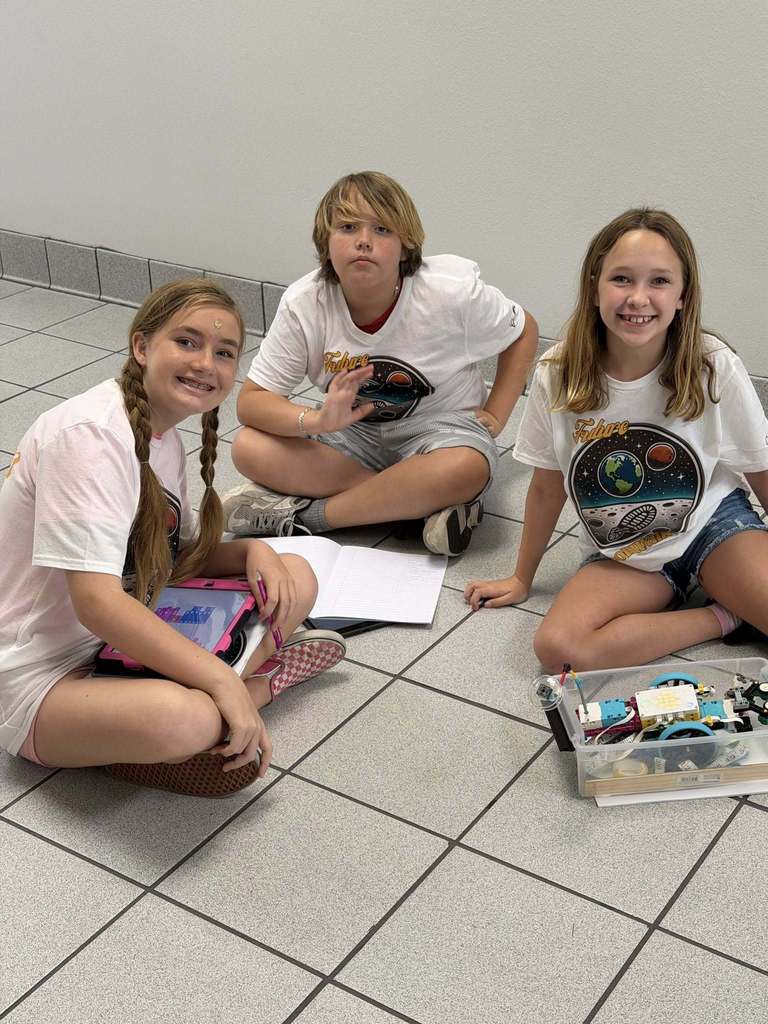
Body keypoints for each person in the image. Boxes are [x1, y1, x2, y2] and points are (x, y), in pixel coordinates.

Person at [0, 279, 345, 796]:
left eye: (224, 352)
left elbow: (174, 557)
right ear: (142, 347)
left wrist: (253, 549)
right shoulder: (89, 436)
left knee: (294, 575)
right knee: (186, 720)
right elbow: (95, 603)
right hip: (40, 674)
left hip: (118, 637)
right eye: (186, 342)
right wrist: (218, 678)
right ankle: (251, 691)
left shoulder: (161, 434)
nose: (206, 362)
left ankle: (210, 707)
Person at [465, 209, 768, 670]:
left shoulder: (713, 365)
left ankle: (735, 597)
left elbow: (759, 466)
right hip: (629, 551)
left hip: (714, 527)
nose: (638, 298)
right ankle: (725, 616)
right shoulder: (556, 373)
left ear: (684, 294)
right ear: (594, 287)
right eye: (622, 279)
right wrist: (522, 577)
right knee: (558, 647)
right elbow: (548, 486)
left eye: (660, 281)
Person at [222, 171, 538, 556]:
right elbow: (252, 401)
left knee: (466, 468)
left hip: (440, 429)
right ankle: (415, 503)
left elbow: (524, 329)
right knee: (248, 446)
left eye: (382, 230)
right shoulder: (305, 302)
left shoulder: (449, 291)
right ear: (326, 243)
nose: (363, 241)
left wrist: (497, 414)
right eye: (347, 227)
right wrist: (317, 420)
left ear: (406, 247)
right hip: (351, 432)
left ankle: (309, 518)